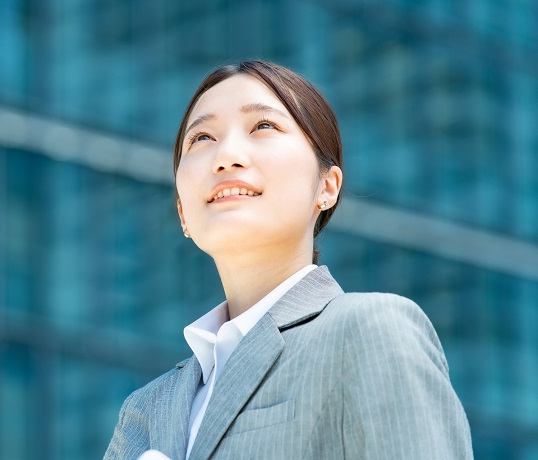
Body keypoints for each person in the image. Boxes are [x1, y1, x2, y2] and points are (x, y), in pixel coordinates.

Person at [104, 60, 473, 460]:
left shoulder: (370, 329)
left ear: (327, 187)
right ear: (181, 212)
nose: (226, 156)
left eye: (263, 126)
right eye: (202, 137)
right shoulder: (144, 411)